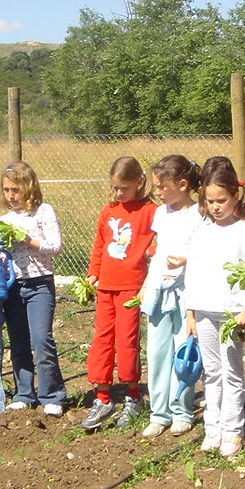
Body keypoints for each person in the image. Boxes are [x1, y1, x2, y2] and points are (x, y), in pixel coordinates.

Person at [183, 157, 245, 458]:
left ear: (235, 197)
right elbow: (192, 273)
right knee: (211, 372)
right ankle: (212, 428)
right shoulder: (203, 231)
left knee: (232, 372)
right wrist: (190, 312)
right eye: (210, 201)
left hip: (230, 313)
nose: (215, 206)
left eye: (221, 200)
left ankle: (232, 430)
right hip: (203, 310)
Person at [82, 156, 157, 430]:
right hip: (106, 287)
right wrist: (93, 273)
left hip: (131, 287)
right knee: (102, 338)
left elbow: (163, 241)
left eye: (124, 188)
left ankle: (133, 395)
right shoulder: (108, 212)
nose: (118, 193)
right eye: (115, 187)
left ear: (138, 182)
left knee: (127, 341)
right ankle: (102, 397)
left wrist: (151, 253)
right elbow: (100, 246)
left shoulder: (150, 211)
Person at [140, 155, 203, 438]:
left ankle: (182, 410)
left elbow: (205, 252)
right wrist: (147, 282)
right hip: (159, 288)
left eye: (162, 186)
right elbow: (159, 249)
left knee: (183, 353)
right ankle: (159, 412)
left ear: (182, 184)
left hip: (186, 291)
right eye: (155, 186)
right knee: (157, 353)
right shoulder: (160, 213)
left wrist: (187, 260)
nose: (158, 192)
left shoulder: (199, 213)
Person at [0, 161, 67, 416]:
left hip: (39, 283)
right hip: (14, 286)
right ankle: (24, 393)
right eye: (6, 190)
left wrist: (27, 239)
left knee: (41, 338)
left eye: (15, 189)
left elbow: (55, 246)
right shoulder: (5, 219)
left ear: (28, 187)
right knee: (18, 341)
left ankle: (53, 395)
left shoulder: (43, 212)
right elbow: (4, 253)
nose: (10, 196)